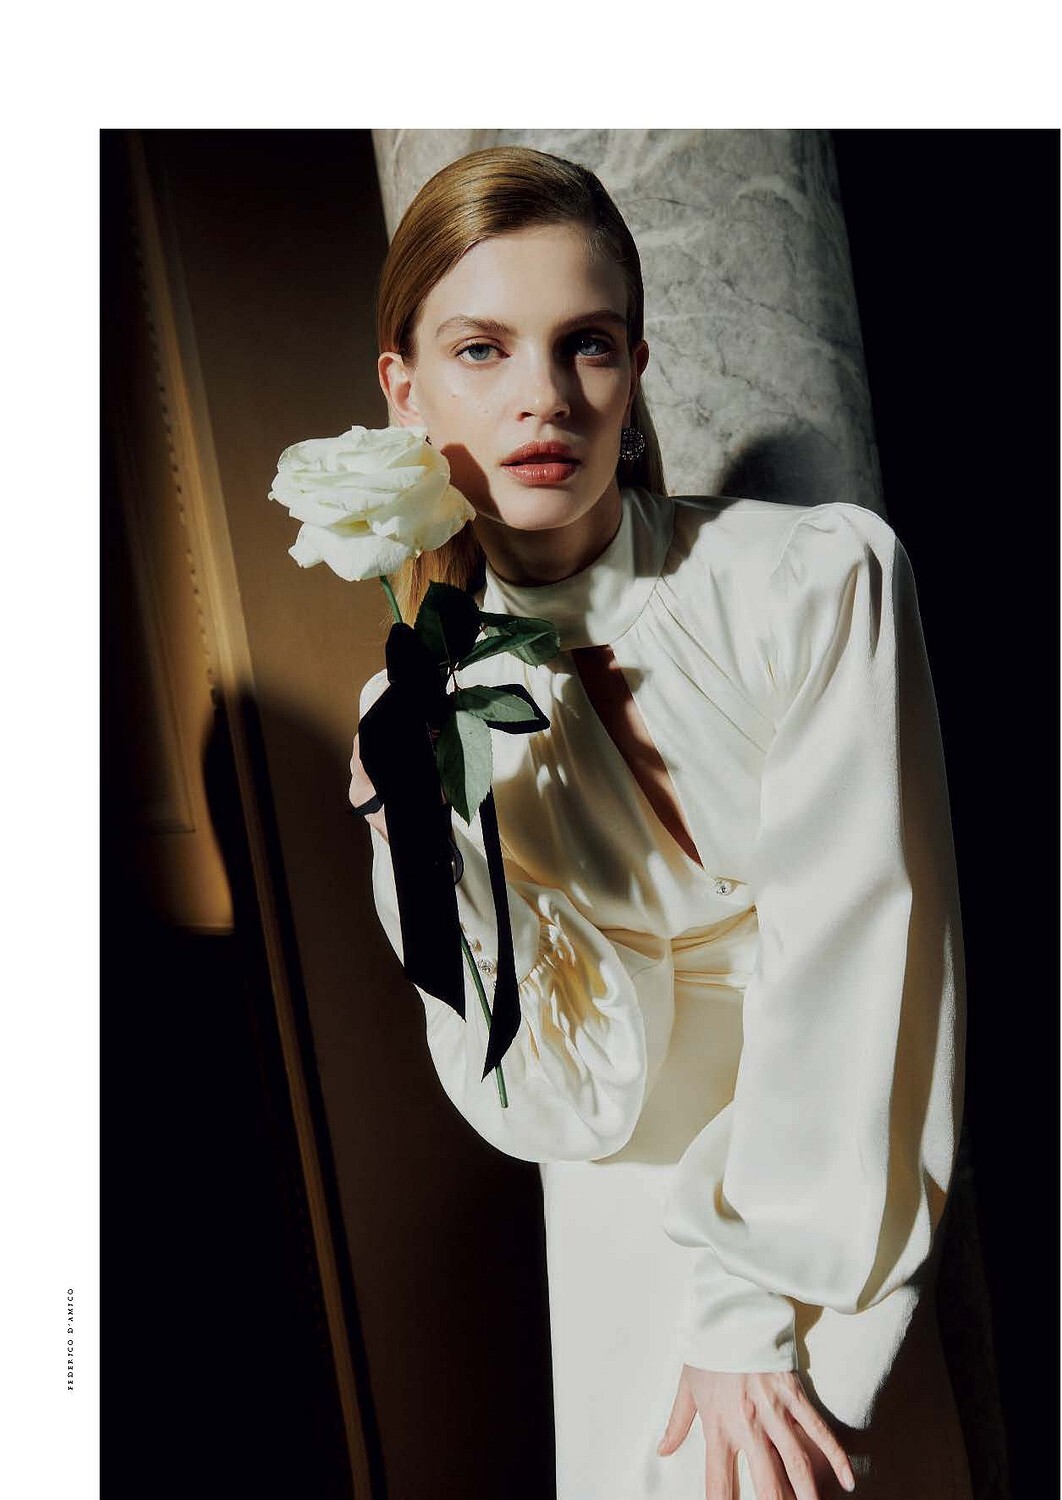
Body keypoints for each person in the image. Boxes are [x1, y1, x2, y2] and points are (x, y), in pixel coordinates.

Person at [348, 146, 972, 1500]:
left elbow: (860, 939)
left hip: (832, 1168)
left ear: (635, 371)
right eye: (481, 350)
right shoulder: (415, 708)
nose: (544, 397)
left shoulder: (814, 579)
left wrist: (749, 1301)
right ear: (404, 389)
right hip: (613, 1189)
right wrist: (430, 842)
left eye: (586, 345)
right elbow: (530, 1074)